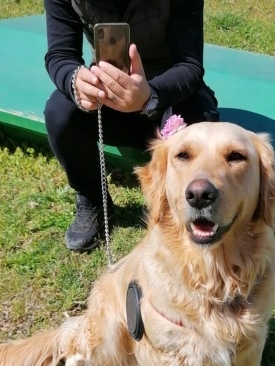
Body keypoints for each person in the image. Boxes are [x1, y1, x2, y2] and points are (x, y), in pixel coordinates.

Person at [43, 0, 219, 251]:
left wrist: (149, 95)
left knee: (203, 121)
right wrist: (76, 82)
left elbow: (189, 65)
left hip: (169, 98)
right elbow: (60, 55)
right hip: (108, 95)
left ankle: (190, 206)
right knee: (59, 112)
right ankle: (93, 200)